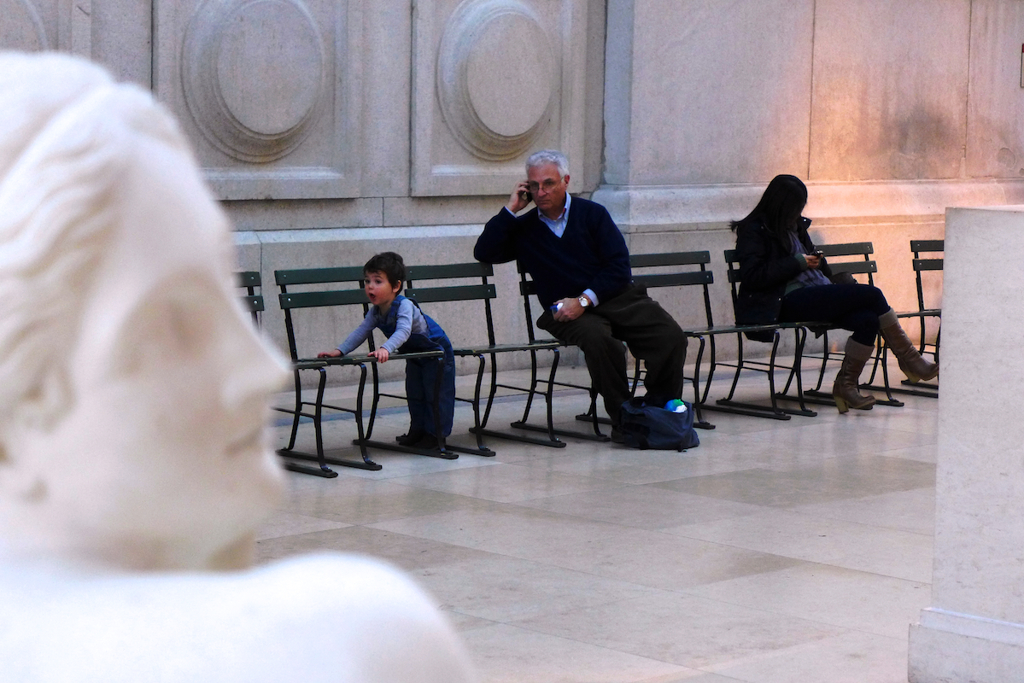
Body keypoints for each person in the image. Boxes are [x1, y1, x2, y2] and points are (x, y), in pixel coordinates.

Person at [0, 51, 475, 682]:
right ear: (24, 395)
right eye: (174, 324)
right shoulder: (354, 640)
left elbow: (397, 329)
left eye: (225, 291)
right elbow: (370, 329)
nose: (263, 368)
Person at [474, 149, 687, 433]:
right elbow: (484, 251)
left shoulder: (592, 214)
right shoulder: (524, 228)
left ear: (566, 181)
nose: (541, 192)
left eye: (548, 183)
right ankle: (624, 415)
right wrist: (510, 210)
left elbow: (618, 267)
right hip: (563, 310)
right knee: (601, 341)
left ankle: (660, 407)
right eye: (534, 185)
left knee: (670, 336)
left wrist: (584, 300)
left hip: (616, 298)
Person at [731, 174, 939, 413]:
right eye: (795, 209)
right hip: (783, 301)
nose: (798, 214)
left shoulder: (795, 226)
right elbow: (753, 276)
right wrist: (797, 262)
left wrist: (817, 262)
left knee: (867, 320)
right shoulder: (754, 230)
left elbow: (814, 264)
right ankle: (910, 359)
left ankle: (846, 385)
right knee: (872, 295)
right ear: (782, 206)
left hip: (815, 292)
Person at [319, 252, 455, 449]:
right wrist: (340, 351)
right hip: (416, 355)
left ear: (396, 286)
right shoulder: (375, 311)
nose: (370, 286)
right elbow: (361, 331)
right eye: (367, 281)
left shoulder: (405, 305)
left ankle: (435, 435)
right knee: (415, 391)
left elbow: (404, 331)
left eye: (378, 281)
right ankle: (417, 431)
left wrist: (386, 348)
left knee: (435, 393)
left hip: (436, 352)